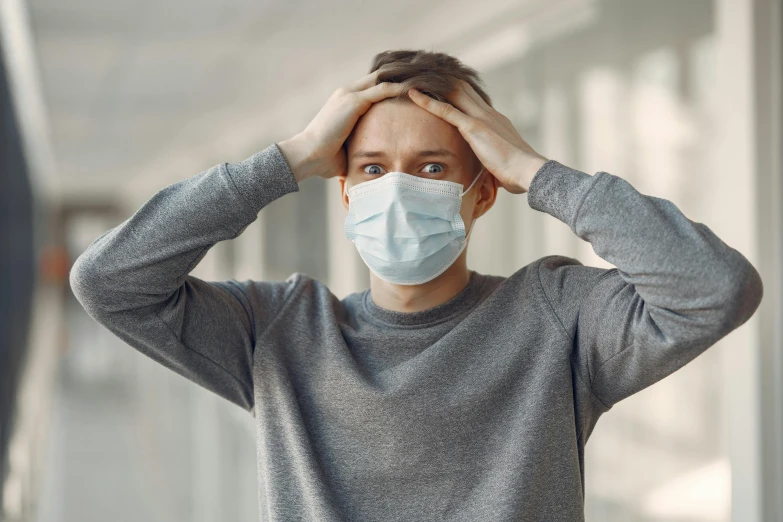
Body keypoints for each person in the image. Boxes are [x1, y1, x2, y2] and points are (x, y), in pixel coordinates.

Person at [69, 49, 764, 522]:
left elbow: (713, 288)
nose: (396, 188)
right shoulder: (276, 329)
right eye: (372, 169)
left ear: (484, 193)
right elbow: (110, 281)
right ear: (342, 191)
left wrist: (536, 169)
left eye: (431, 168)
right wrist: (286, 160)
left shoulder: (556, 316)